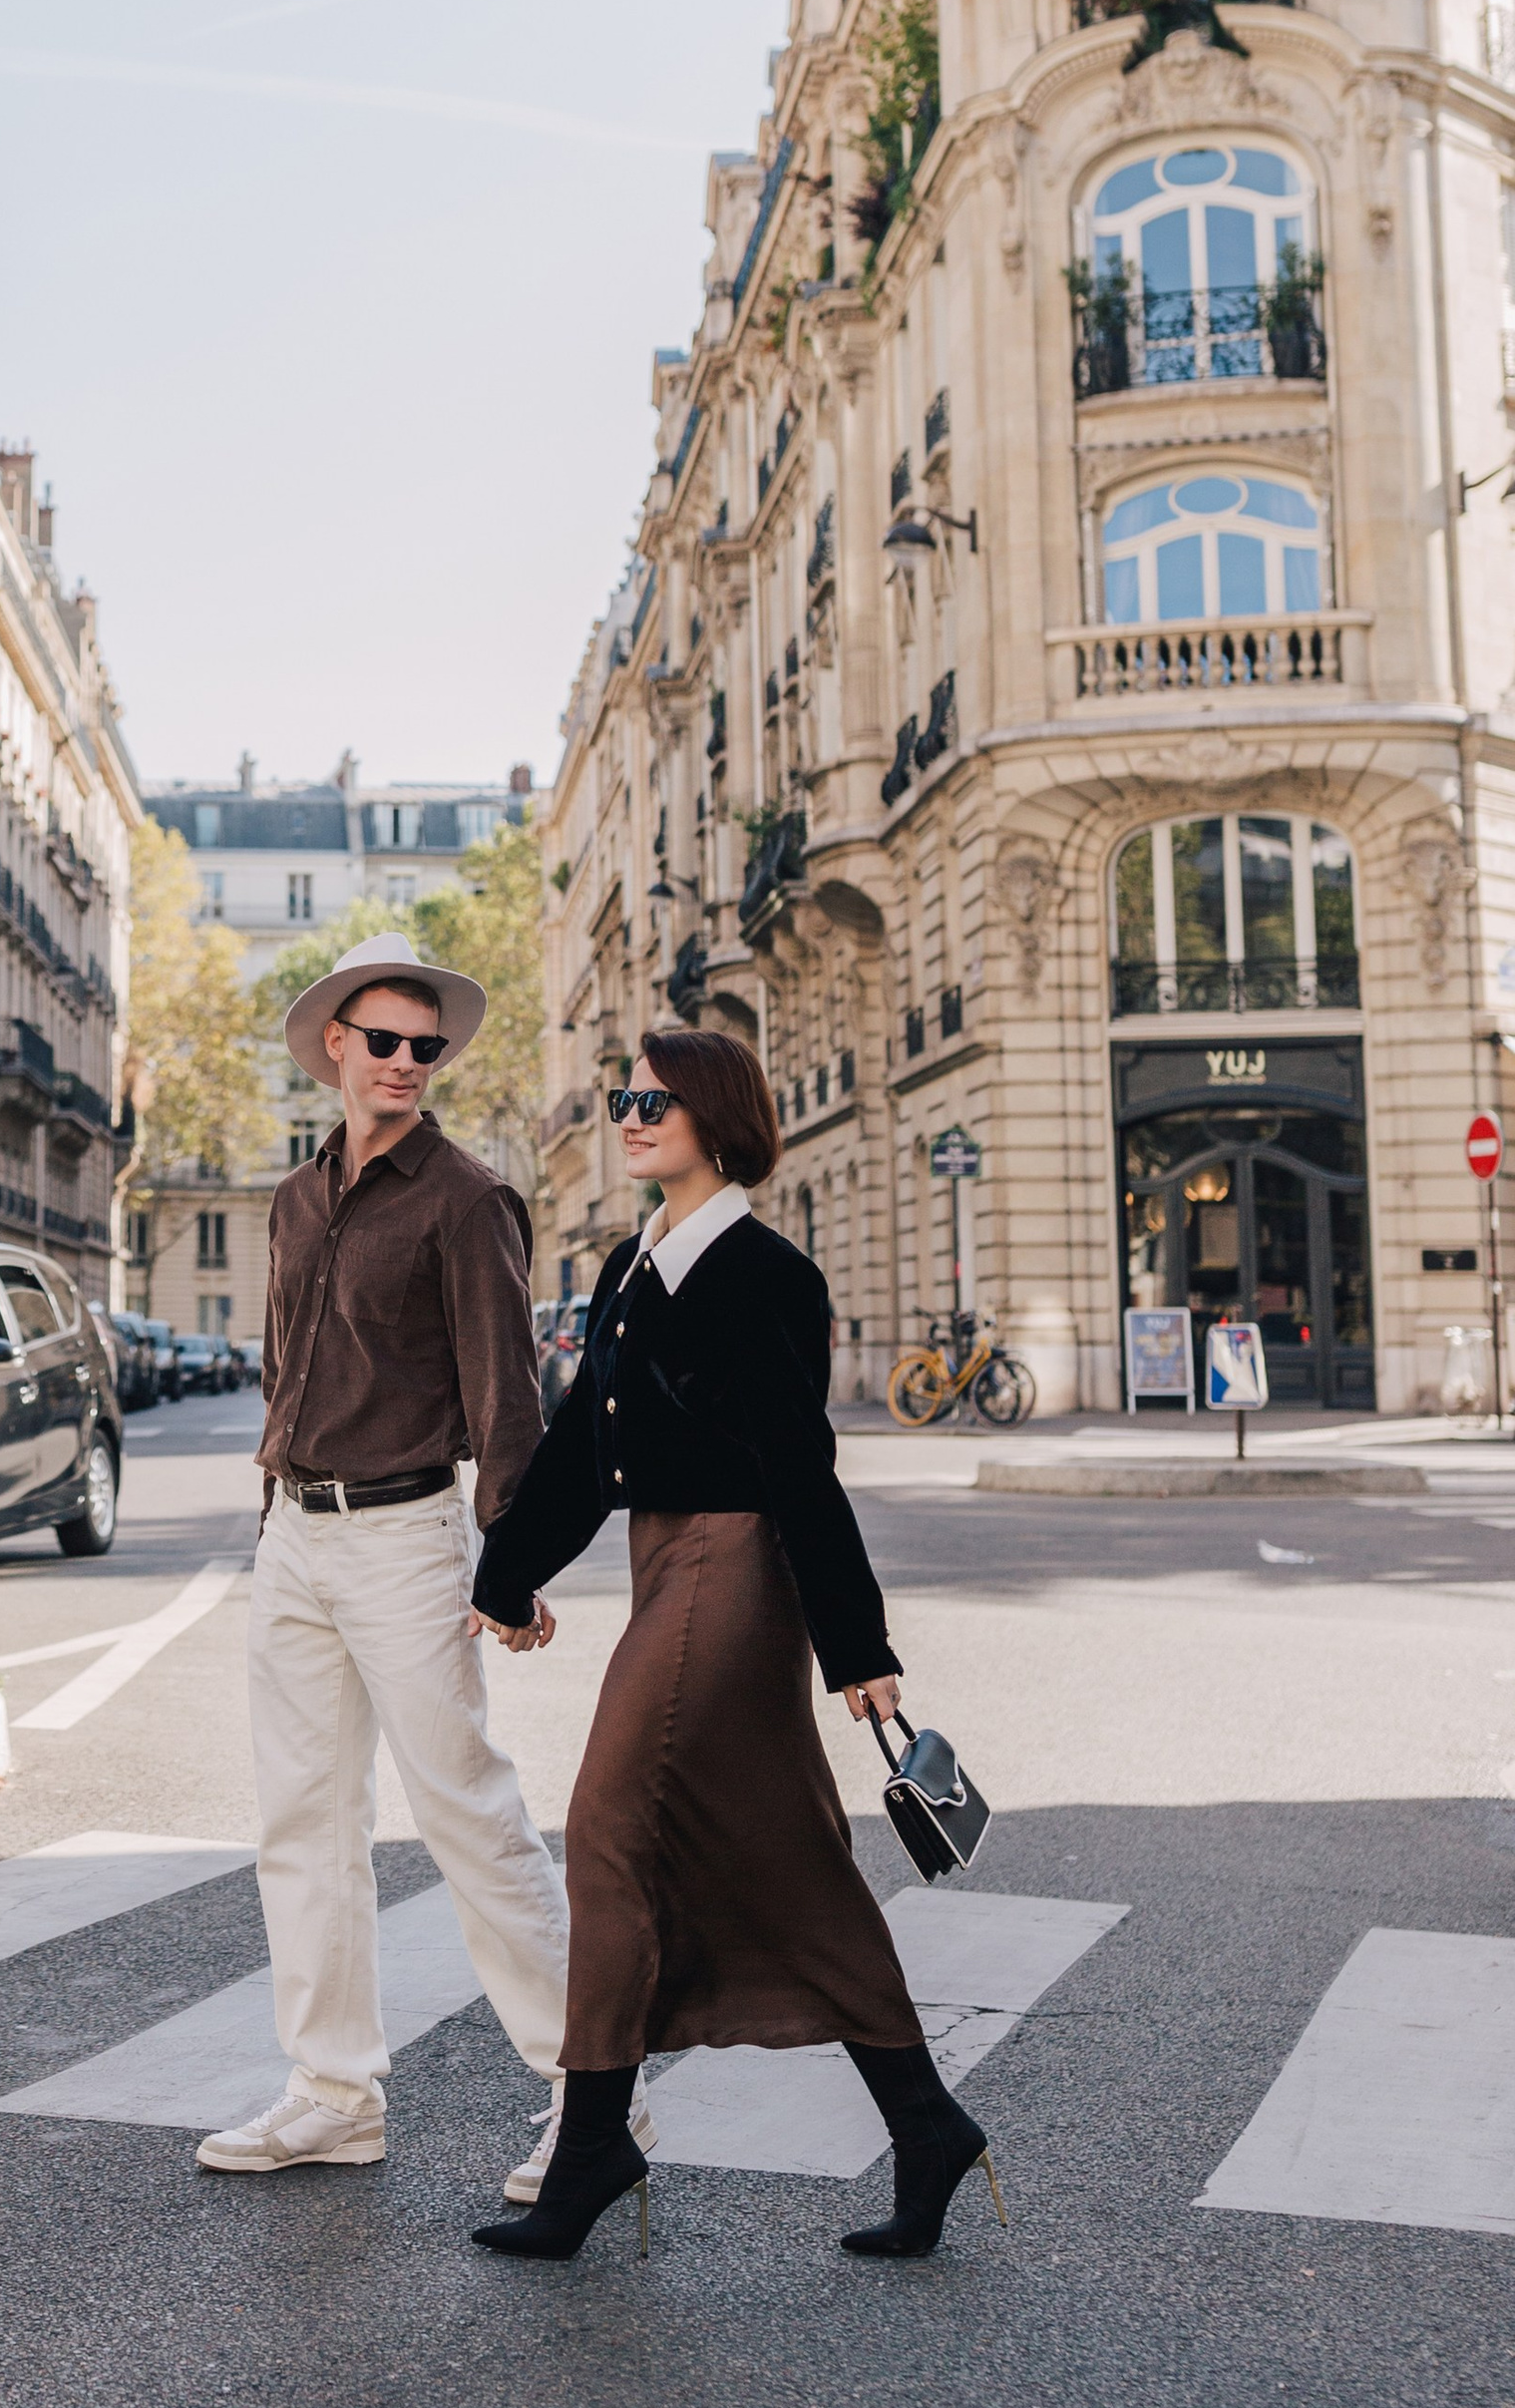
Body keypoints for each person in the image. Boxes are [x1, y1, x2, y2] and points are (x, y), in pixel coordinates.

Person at [467, 1023, 1003, 2267]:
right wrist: (505, 1568)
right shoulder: (631, 1261)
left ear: (719, 1116)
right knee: (792, 1862)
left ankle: (592, 2139)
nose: (631, 1114)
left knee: (606, 1823)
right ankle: (927, 2126)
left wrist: (855, 1641)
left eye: (657, 1099)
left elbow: (803, 1473)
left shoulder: (765, 1274)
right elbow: (579, 1451)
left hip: (732, 1574)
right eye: (624, 1097)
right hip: (667, 1562)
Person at [195, 931, 586, 2185]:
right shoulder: (296, 1196)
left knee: (467, 1812)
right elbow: (280, 1366)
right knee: (303, 1823)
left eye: (428, 1047)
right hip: (295, 1537)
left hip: (410, 1537)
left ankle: (595, 2097)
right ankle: (331, 2096)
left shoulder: (468, 1200)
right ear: (334, 1049)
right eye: (387, 1042)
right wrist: (271, 1516)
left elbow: (503, 1396)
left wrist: (508, 1564)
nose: (410, 1062)